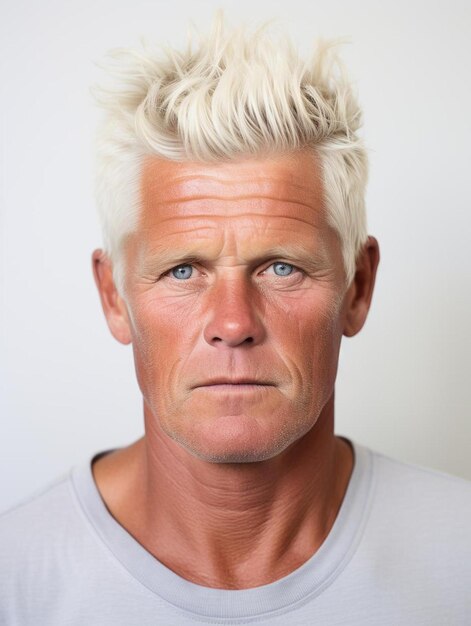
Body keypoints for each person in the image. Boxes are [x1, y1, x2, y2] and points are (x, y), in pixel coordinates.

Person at [1, 14, 470, 626]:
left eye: (281, 268)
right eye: (182, 271)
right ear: (114, 297)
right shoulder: (17, 579)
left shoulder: (458, 558)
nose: (232, 323)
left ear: (358, 286)